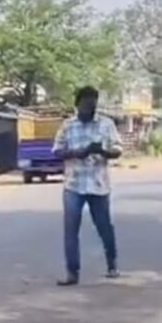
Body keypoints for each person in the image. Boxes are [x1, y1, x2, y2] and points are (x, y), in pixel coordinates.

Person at [52, 86, 122, 286]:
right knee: (70, 230)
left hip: (98, 184)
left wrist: (103, 152)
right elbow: (57, 151)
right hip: (74, 184)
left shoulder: (106, 124)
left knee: (104, 227)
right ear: (78, 104)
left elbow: (118, 149)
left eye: (93, 106)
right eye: (86, 105)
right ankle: (72, 273)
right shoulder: (68, 126)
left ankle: (112, 264)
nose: (89, 109)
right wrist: (78, 153)